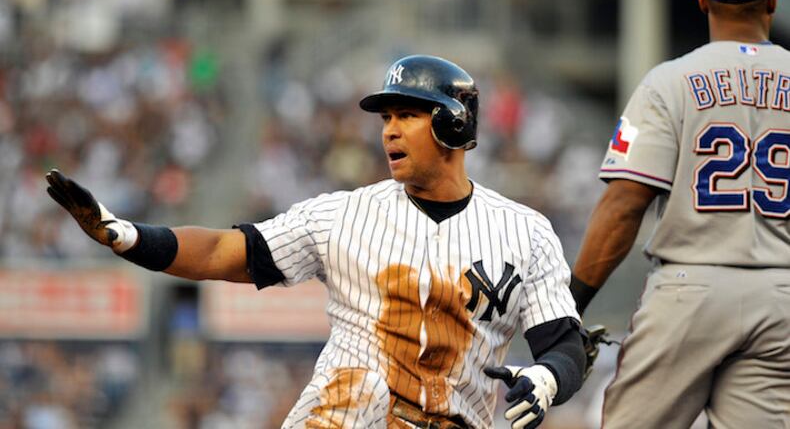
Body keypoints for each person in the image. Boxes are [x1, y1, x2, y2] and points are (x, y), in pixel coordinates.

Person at [47, 54, 587, 429]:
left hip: (456, 420)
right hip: (348, 416)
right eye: (386, 117)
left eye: (406, 115)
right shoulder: (342, 215)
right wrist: (128, 237)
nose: (388, 129)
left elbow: (564, 345)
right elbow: (223, 252)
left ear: (452, 123)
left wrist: (546, 377)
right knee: (361, 386)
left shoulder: (525, 231)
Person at [570, 0, 790, 427]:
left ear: (702, 0)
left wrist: (571, 304)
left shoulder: (670, 80)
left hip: (689, 289)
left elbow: (624, 205)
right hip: (780, 294)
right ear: (772, 2)